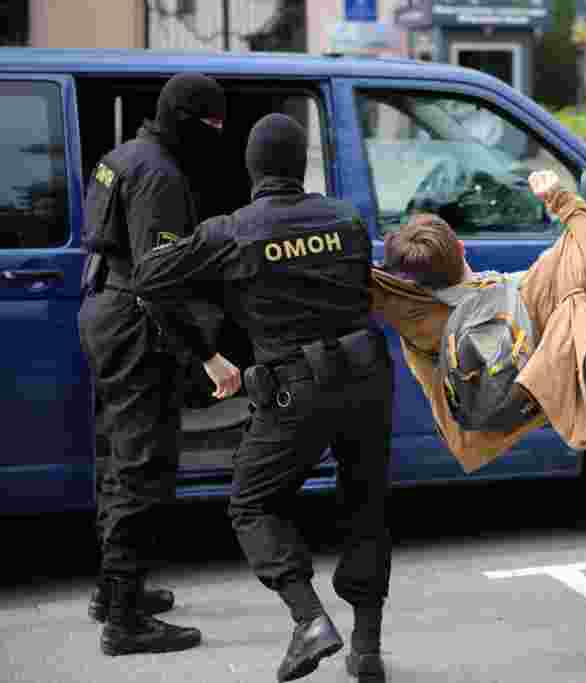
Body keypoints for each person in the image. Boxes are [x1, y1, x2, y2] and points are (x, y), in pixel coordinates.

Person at [133, 113, 395, 683]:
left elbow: (149, 277)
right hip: (368, 378)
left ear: (251, 169)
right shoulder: (346, 218)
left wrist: (205, 329)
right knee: (366, 505)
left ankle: (310, 621)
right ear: (300, 165)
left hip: (295, 388)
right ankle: (367, 649)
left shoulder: (233, 230)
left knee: (251, 504)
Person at [78, 72, 241, 656]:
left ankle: (113, 592)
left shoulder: (120, 157)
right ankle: (124, 621)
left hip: (103, 308)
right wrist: (209, 355)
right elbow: (159, 283)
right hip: (134, 321)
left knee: (122, 459)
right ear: (186, 118)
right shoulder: (161, 175)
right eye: (212, 124)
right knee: (143, 467)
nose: (217, 135)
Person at [368, 169, 586, 475]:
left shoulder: (417, 322)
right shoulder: (530, 288)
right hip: (535, 394)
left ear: (410, 280)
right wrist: (559, 198)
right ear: (461, 248)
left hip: (478, 433)